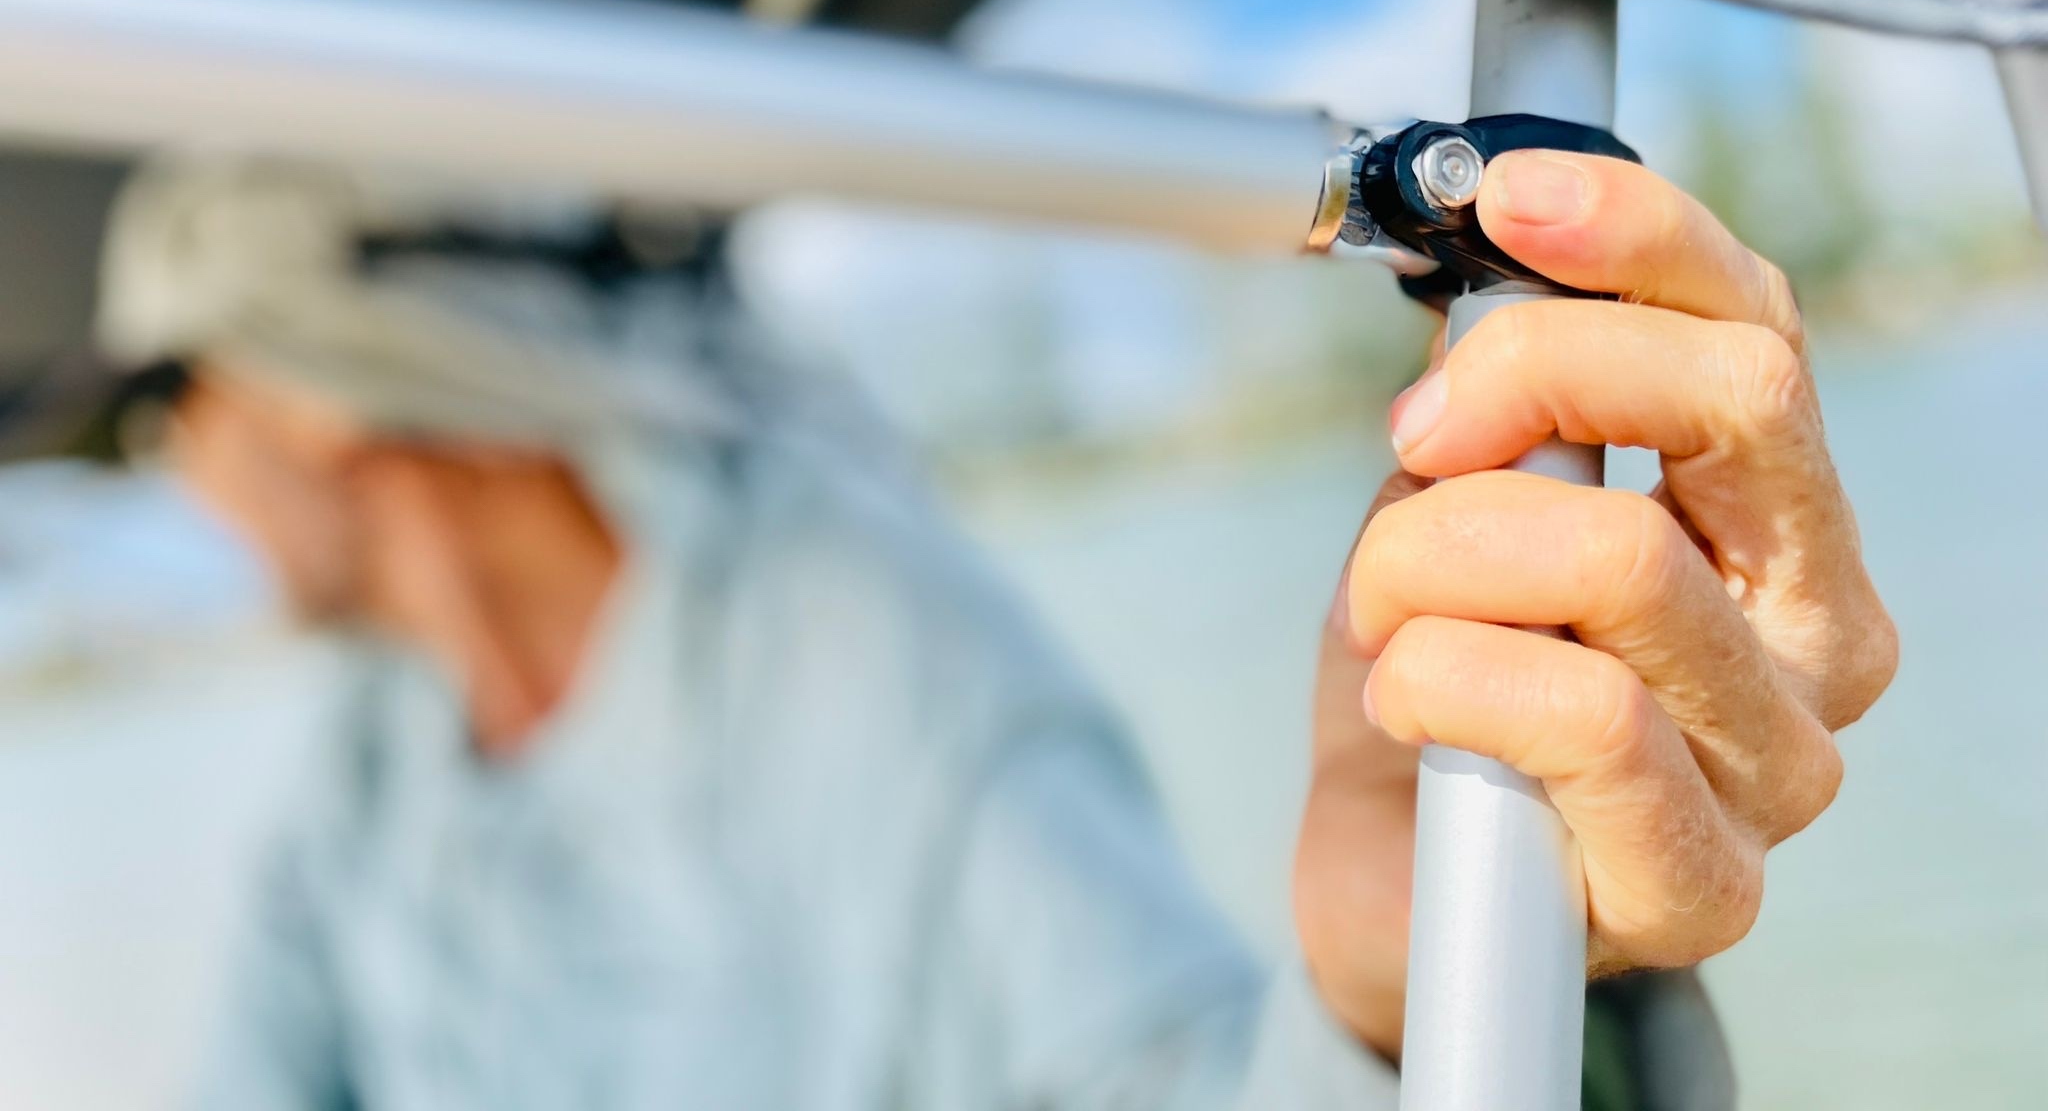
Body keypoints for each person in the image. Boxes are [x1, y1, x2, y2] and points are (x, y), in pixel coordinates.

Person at [92, 147, 1894, 1109]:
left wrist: (1398, 1002)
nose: (158, 468)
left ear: (310, 386)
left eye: (152, 401)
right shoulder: (370, 770)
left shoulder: (868, 662)